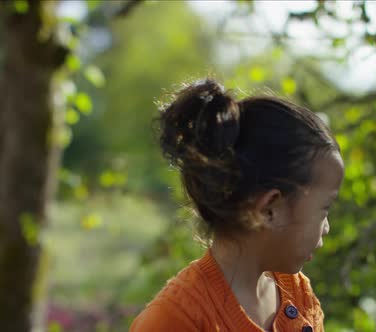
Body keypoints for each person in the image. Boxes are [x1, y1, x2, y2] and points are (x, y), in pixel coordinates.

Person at [129, 78, 344, 332]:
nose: (327, 227)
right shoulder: (175, 320)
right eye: (324, 209)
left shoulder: (299, 295)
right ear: (269, 209)